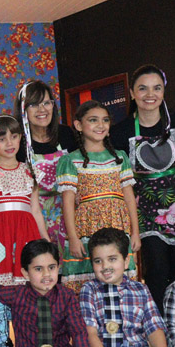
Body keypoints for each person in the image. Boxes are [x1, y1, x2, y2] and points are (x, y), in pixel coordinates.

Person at [113, 65, 175, 309]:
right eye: (143, 88)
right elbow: (118, 177)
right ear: (132, 93)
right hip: (146, 208)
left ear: (163, 91)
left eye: (156, 88)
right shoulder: (120, 131)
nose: (150, 94)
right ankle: (158, 323)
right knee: (156, 269)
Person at [58, 100, 139, 292]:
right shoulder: (70, 160)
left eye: (105, 120)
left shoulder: (120, 157)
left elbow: (129, 197)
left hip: (118, 225)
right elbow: (67, 203)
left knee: (118, 274)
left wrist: (135, 232)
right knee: (88, 275)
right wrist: (73, 237)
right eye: (93, 120)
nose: (100, 125)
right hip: (86, 226)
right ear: (79, 125)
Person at [0, 115, 50, 285]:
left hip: (26, 232)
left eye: (14, 137)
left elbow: (35, 210)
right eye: (2, 139)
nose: (9, 143)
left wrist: (45, 239)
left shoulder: (30, 172)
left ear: (20, 138)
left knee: (27, 272)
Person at [13, 80, 77, 249]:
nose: (42, 109)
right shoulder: (17, 143)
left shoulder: (65, 134)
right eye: (34, 104)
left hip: (69, 213)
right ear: (23, 109)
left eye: (47, 103)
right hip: (35, 216)